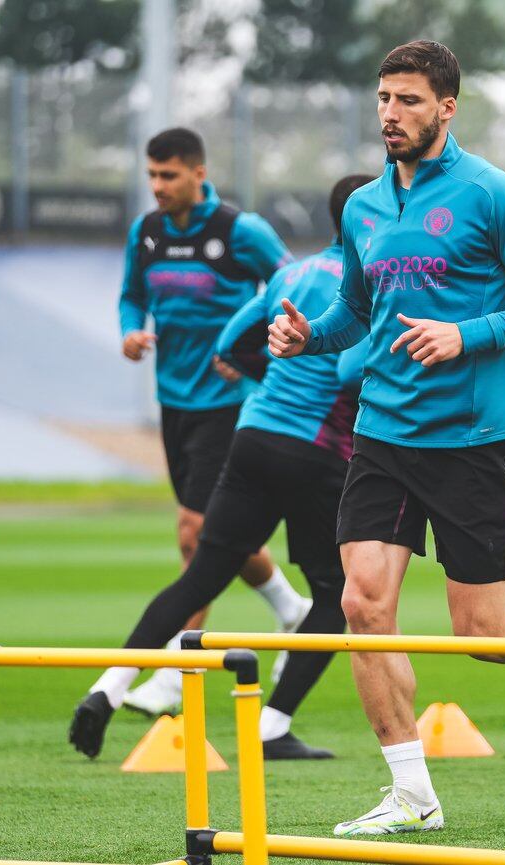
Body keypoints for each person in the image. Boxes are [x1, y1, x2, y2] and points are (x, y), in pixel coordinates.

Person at [267, 40, 505, 838]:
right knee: (361, 602)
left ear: (447, 108)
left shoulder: (492, 193)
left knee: (481, 634)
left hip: (471, 438)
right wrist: (309, 337)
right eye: (382, 99)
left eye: (408, 100)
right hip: (382, 432)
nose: (390, 114)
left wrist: (464, 334)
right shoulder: (363, 207)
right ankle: (412, 791)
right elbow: (354, 314)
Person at [70, 174, 374, 761]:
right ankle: (271, 729)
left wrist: (272, 385)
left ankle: (105, 690)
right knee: (336, 596)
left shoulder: (291, 275)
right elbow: (347, 375)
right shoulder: (371, 288)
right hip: (318, 453)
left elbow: (232, 345)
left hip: (253, 436)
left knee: (200, 576)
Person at [116, 127, 311, 715]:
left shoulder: (239, 231)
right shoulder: (146, 233)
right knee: (221, 534)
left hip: (231, 404)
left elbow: (294, 286)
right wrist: (129, 329)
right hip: (174, 404)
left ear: (198, 173)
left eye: (168, 175)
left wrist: (252, 350)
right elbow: (131, 295)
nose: (158, 186)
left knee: (192, 533)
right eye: (151, 175)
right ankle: (293, 611)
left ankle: (176, 674)